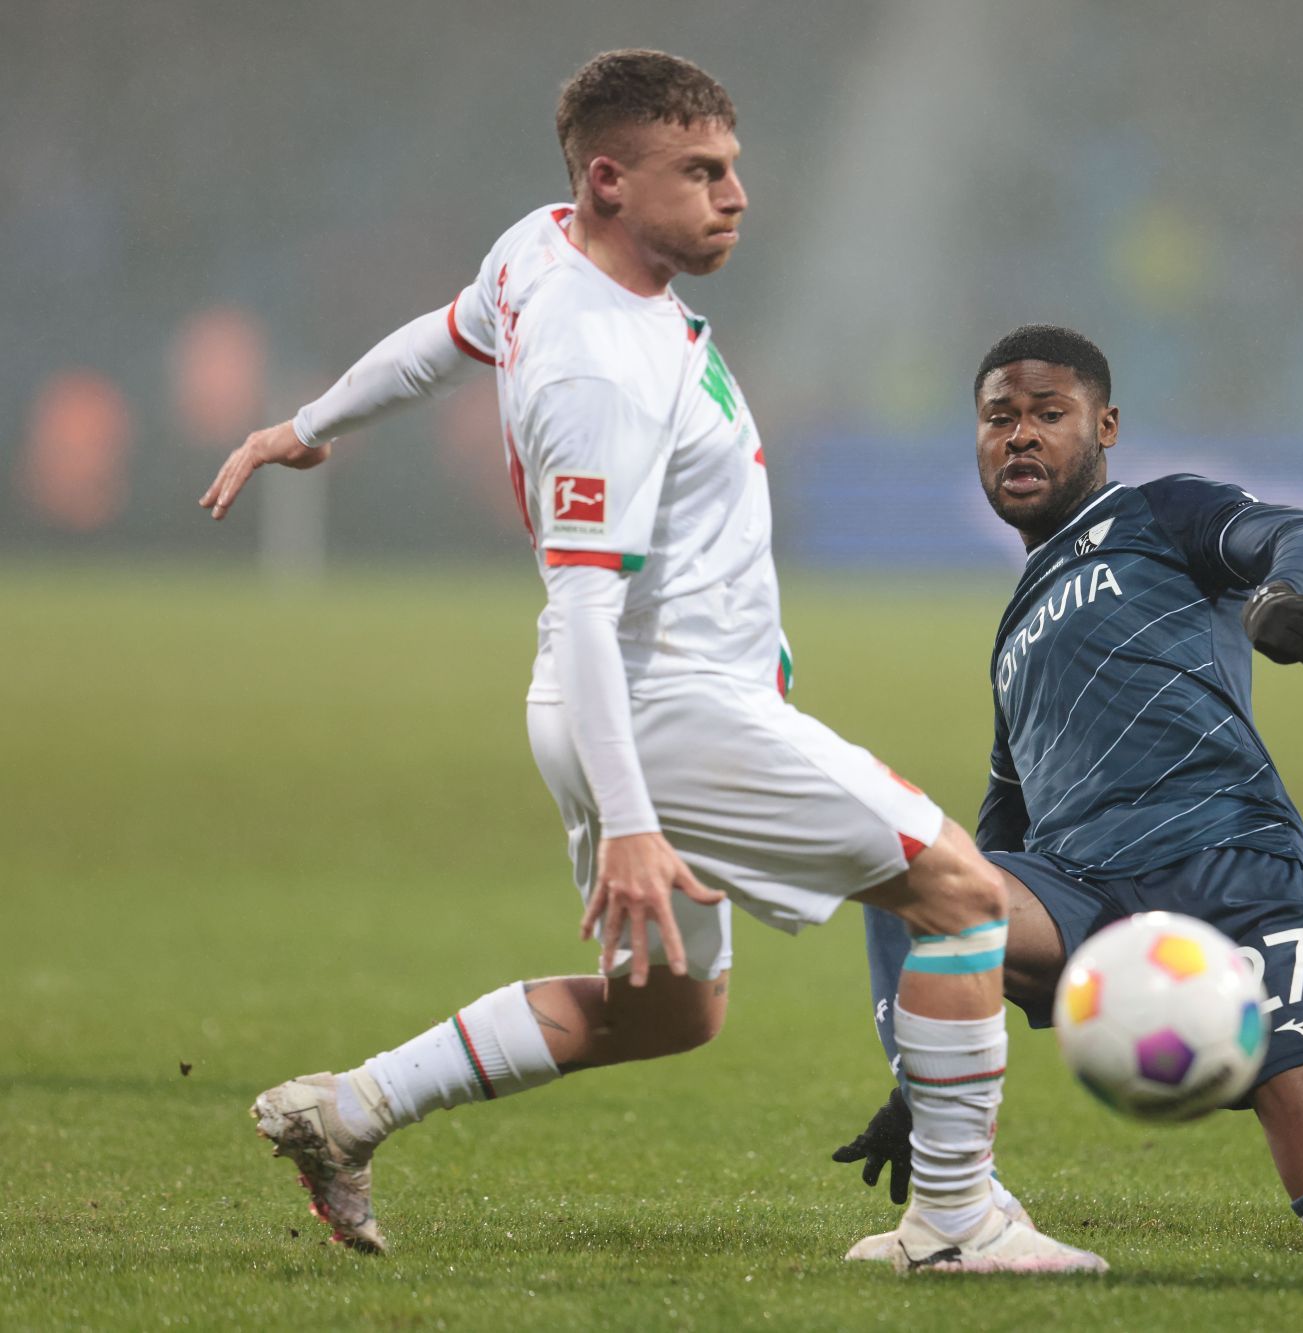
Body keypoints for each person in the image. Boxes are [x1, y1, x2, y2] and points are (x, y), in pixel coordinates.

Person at [199, 52, 1104, 1275]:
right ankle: (954, 1222)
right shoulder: (599, 367)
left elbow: (440, 338)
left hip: (608, 707)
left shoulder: (538, 248)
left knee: (667, 1009)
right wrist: (632, 822)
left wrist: (303, 429)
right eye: (703, 173)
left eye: (734, 167)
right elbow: (580, 598)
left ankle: (349, 1108)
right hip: (665, 708)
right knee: (962, 896)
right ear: (613, 180)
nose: (735, 195)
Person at [834, 325, 1303, 1256]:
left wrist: (1280, 594)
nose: (1019, 435)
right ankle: (963, 1194)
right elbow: (1000, 827)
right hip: (1087, 895)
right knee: (901, 859)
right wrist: (920, 1079)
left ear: (1104, 425)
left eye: (1047, 414)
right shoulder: (1016, 627)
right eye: (998, 418)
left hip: (1231, 876)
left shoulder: (1162, 513)